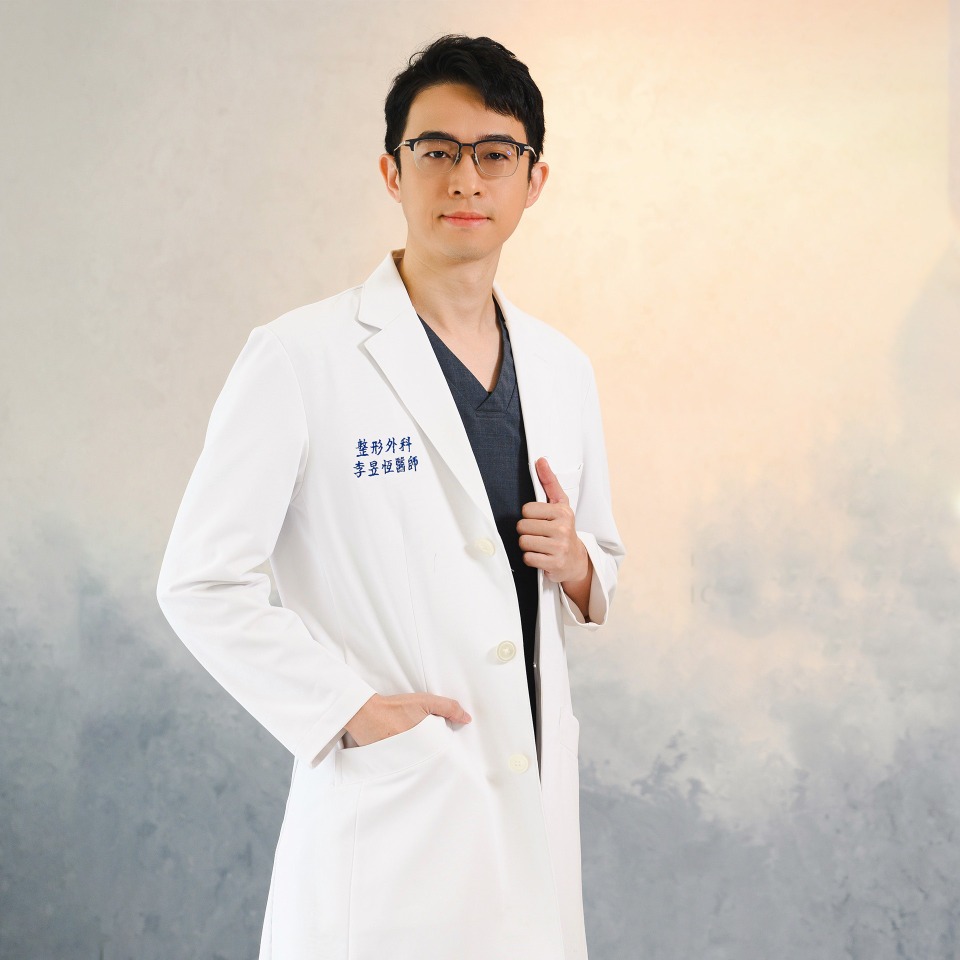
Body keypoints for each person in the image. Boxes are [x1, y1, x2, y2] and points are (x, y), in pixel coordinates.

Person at [156, 33, 625, 960]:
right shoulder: (300, 358)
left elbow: (601, 563)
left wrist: (576, 563)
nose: (465, 179)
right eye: (436, 150)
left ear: (533, 181)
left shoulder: (562, 369)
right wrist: (345, 711)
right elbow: (200, 581)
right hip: (393, 825)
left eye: (495, 154)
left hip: (528, 809)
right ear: (391, 171)